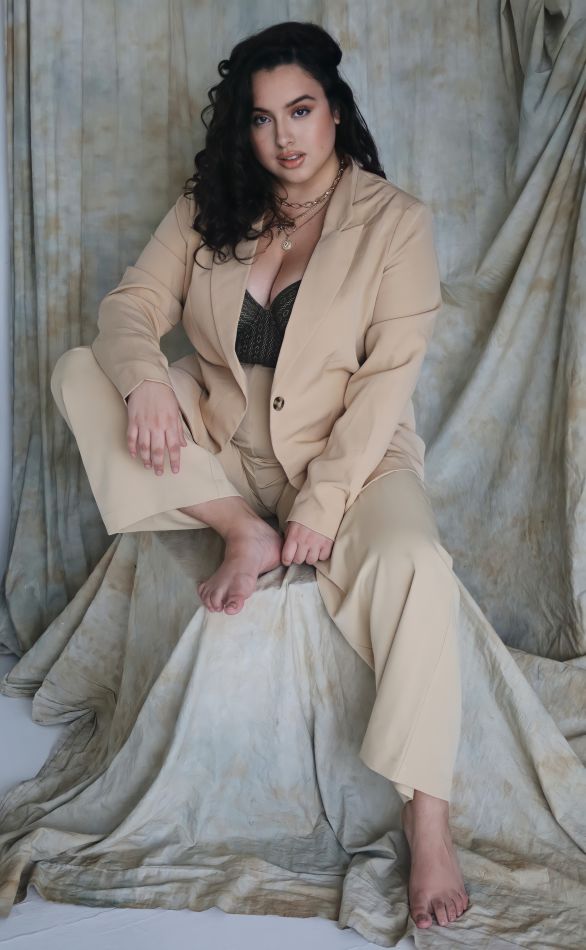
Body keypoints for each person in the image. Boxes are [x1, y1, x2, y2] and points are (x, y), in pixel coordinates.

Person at [50, 20, 469, 931]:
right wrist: (147, 381)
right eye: (262, 117)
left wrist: (323, 502)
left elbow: (386, 384)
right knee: (83, 371)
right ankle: (240, 528)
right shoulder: (212, 203)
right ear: (242, 127)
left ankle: (429, 821)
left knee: (417, 567)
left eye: (302, 110)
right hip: (223, 449)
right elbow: (130, 305)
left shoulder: (396, 224)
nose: (284, 136)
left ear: (336, 111)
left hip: (352, 459)